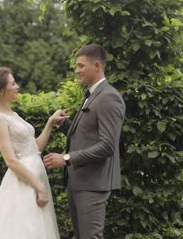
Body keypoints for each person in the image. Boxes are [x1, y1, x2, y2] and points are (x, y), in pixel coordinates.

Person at [0, 67, 66, 239]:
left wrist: (50, 123)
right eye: (13, 84)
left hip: (35, 177)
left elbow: (34, 149)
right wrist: (38, 186)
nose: (17, 86)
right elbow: (11, 160)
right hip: (23, 182)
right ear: (0, 91)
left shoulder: (13, 114)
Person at [43, 44, 126, 239]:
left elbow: (107, 146)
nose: (76, 70)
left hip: (93, 184)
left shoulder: (108, 97)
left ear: (96, 65)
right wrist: (64, 125)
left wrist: (66, 158)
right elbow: (86, 136)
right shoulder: (91, 94)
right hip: (79, 181)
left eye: (80, 66)